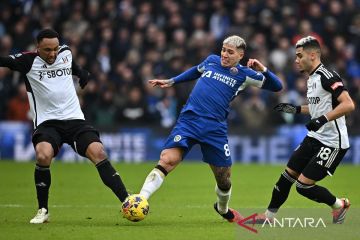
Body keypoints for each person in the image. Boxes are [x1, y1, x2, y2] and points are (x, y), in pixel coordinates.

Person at [138, 35, 283, 223]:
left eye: (230, 52)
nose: (224, 54)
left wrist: (263, 69)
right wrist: (172, 81)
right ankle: (141, 199)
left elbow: (277, 86)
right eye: (223, 49)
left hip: (215, 128)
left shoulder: (245, 74)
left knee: (224, 179)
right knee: (167, 159)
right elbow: (195, 71)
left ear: (241, 55)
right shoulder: (211, 61)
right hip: (189, 120)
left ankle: (223, 208)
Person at [0, 29, 129, 223]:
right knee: (43, 155)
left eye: (55, 49)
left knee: (99, 152)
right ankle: (43, 210)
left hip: (75, 119)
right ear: (37, 49)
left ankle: (128, 202)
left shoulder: (65, 52)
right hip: (47, 123)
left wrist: (81, 72)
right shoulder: (27, 61)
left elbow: (72, 65)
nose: (52, 54)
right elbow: (4, 61)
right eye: (47, 50)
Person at [250, 36, 355, 224]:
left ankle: (339, 205)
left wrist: (322, 120)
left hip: (333, 143)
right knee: (286, 176)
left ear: (313, 55)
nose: (296, 60)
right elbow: (319, 107)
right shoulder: (311, 78)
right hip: (314, 137)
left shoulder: (327, 76)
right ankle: (269, 217)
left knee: (303, 186)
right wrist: (296, 109)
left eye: (299, 56)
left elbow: (348, 104)